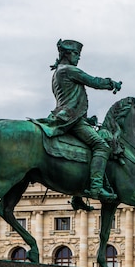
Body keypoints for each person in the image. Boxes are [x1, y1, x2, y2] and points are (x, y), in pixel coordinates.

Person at [38, 39, 122, 202]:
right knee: (101, 146)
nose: (78, 58)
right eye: (76, 54)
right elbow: (94, 82)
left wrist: (86, 118)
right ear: (67, 54)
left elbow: (69, 99)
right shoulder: (68, 70)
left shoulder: (57, 73)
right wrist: (112, 84)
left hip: (69, 117)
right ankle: (96, 188)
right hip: (71, 120)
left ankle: (78, 198)